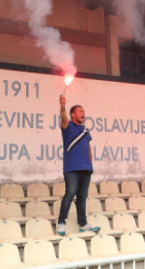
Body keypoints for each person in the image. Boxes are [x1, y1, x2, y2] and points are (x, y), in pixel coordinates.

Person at [56, 94, 100, 235]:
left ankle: (83, 224)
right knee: (70, 194)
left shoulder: (86, 131)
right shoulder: (68, 126)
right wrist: (62, 105)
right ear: (73, 114)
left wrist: (90, 166)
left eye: (84, 111)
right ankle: (61, 223)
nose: (83, 113)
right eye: (80, 111)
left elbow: (89, 149)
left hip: (85, 169)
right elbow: (63, 116)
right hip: (72, 168)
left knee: (82, 197)